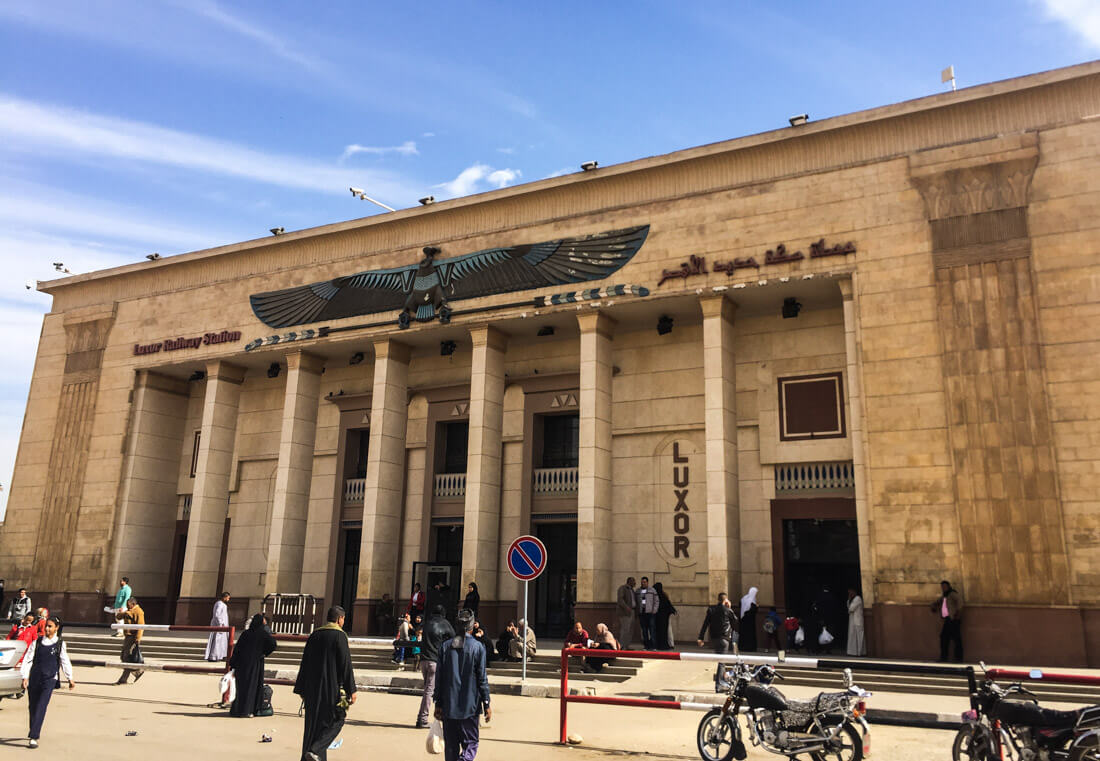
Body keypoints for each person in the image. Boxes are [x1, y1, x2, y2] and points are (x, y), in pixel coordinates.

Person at [295, 606, 357, 761]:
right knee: (338, 718)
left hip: (311, 687)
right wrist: (352, 690)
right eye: (343, 619)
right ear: (339, 619)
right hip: (330, 688)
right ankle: (315, 750)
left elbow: (305, 662)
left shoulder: (315, 635)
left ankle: (310, 756)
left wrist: (301, 688)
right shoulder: (339, 636)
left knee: (312, 726)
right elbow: (345, 664)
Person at [434, 608, 491, 761]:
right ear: (472, 627)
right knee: (471, 743)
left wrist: (438, 702)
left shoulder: (445, 647)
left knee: (451, 747)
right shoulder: (478, 647)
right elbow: (482, 678)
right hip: (470, 708)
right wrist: (486, 703)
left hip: (448, 706)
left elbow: (439, 678)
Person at [20, 615, 74, 748]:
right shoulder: (37, 642)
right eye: (46, 626)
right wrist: (25, 676)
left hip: (49, 679)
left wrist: (70, 678)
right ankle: (34, 729)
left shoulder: (60, 644)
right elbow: (28, 659)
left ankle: (34, 736)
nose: (47, 629)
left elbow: (64, 661)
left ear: (57, 628)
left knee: (41, 706)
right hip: (35, 678)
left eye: (50, 626)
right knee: (33, 707)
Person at [229, 613, 277, 717]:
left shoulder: (246, 633)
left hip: (242, 664)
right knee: (252, 687)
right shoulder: (263, 634)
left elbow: (237, 649)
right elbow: (273, 644)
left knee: (241, 688)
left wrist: (232, 663)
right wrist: (264, 653)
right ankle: (249, 710)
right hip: (255, 664)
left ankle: (238, 710)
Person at [416, 605, 455, 728]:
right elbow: (454, 638)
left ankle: (437, 714)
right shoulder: (445, 623)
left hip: (423, 661)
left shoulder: (427, 623)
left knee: (428, 689)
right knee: (429, 690)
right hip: (434, 661)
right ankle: (422, 718)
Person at [932, 580, 963, 662]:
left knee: (956, 639)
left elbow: (960, 602)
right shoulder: (945, 596)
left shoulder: (952, 594)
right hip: (947, 620)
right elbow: (938, 601)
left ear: (948, 586)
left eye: (945, 586)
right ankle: (943, 657)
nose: (943, 588)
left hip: (953, 619)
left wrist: (958, 615)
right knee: (944, 638)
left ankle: (958, 659)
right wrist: (934, 605)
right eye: (942, 587)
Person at [115, 597, 145, 684]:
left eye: (129, 605)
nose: (128, 607)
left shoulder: (139, 612)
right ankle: (137, 671)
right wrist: (123, 613)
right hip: (127, 636)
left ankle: (123, 679)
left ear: (133, 604)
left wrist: (138, 639)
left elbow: (141, 626)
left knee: (126, 657)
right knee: (124, 656)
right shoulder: (128, 611)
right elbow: (118, 617)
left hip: (133, 637)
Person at [205, 592, 231, 661]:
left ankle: (219, 656)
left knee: (221, 642)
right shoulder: (220, 604)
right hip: (219, 626)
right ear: (225, 597)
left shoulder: (220, 604)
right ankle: (213, 656)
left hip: (221, 626)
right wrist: (221, 624)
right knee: (217, 641)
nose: (228, 599)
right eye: (228, 598)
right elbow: (217, 614)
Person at [635, 576, 658, 650]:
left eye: (644, 582)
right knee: (644, 631)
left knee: (652, 630)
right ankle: (646, 646)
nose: (643, 583)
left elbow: (656, 601)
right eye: (642, 582)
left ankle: (653, 646)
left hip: (650, 613)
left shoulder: (652, 590)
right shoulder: (638, 591)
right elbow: (636, 601)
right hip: (642, 613)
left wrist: (654, 610)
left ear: (647, 582)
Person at [615, 577, 637, 650]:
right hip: (625, 613)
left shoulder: (632, 590)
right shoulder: (623, 588)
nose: (635, 583)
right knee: (625, 630)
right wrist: (626, 607)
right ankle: (621, 646)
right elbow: (620, 599)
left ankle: (627, 645)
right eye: (633, 581)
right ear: (629, 581)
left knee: (630, 630)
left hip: (632, 611)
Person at [654, 582, 677, 650]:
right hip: (665, 617)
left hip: (658, 617)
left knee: (659, 631)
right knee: (665, 631)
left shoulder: (657, 596)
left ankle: (659, 645)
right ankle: (666, 645)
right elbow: (668, 605)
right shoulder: (664, 595)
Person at [847, 588, 866, 656]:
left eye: (850, 592)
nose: (850, 594)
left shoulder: (857, 598)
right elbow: (849, 607)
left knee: (859, 636)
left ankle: (859, 652)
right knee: (853, 636)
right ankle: (853, 652)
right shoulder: (851, 600)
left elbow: (851, 608)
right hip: (853, 621)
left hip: (857, 620)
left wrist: (849, 601)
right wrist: (849, 599)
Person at [739, 587, 759, 652]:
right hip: (749, 621)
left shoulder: (744, 598)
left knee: (744, 634)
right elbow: (753, 611)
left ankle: (742, 647)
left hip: (743, 619)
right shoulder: (752, 601)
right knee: (750, 635)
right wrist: (757, 607)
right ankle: (750, 648)